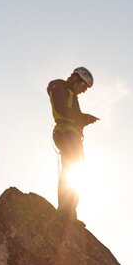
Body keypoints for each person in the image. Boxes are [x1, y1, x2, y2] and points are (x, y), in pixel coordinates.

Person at [47, 66, 99, 219]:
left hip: (71, 136)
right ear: (75, 79)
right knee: (70, 170)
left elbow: (71, 114)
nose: (84, 90)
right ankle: (66, 211)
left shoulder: (70, 95)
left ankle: (69, 211)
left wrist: (83, 120)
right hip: (66, 134)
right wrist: (83, 118)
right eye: (83, 86)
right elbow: (63, 110)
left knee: (75, 171)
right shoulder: (60, 86)